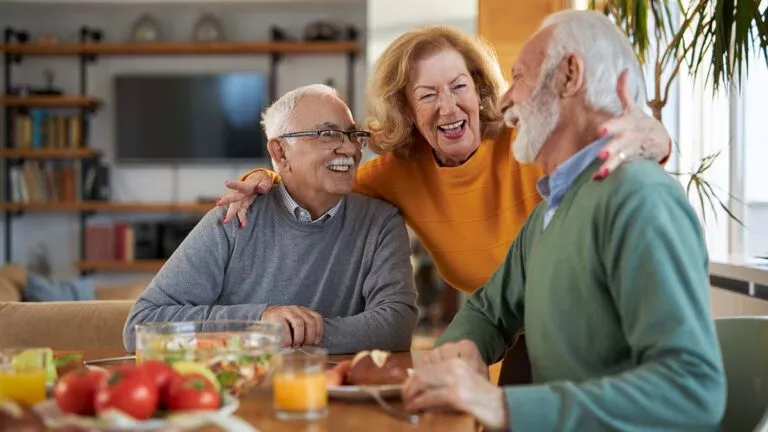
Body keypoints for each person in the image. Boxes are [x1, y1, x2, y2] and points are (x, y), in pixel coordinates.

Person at [216, 25, 673, 381]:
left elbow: (610, 152)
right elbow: (320, 179)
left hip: (593, 325)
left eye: (459, 87)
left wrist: (658, 136)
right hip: (508, 330)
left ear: (479, 89)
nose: (449, 108)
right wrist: (269, 177)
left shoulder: (530, 141)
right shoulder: (397, 172)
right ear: (407, 111)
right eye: (428, 95)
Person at [402, 10, 726, 431]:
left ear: (569, 74)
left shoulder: (639, 198)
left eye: (519, 76)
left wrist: (502, 406)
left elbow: (692, 390)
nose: (503, 100)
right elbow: (489, 310)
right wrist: (460, 351)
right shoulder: (550, 212)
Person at [123, 84, 418, 355]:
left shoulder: (381, 223)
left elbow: (396, 325)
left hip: (332, 398)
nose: (351, 149)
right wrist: (258, 321)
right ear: (280, 151)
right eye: (327, 134)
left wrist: (292, 333)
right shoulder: (234, 218)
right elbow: (141, 327)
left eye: (353, 135)